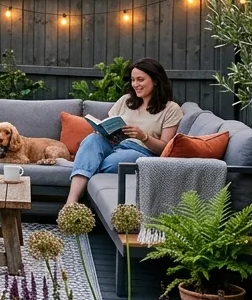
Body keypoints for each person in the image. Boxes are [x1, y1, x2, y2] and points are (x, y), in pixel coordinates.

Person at [65, 58, 182, 205]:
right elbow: (108, 124)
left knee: (106, 163)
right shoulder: (126, 100)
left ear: (155, 80)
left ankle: (81, 178)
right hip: (113, 144)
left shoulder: (171, 109)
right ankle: (71, 202)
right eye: (133, 80)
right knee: (91, 140)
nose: (135, 85)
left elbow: (165, 148)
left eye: (140, 80)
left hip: (140, 151)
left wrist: (143, 136)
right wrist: (102, 132)